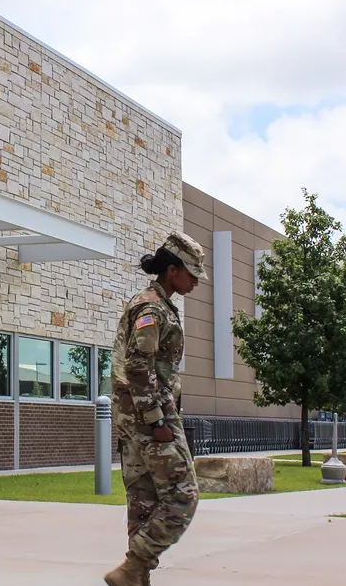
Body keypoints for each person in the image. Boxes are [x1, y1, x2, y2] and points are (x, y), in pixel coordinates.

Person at [105, 231, 207, 586]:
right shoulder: (152, 308)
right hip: (149, 416)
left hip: (133, 417)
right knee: (183, 496)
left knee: (144, 501)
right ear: (172, 270)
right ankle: (134, 566)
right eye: (192, 273)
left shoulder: (153, 303)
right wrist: (157, 418)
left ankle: (135, 579)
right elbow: (138, 365)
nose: (196, 281)